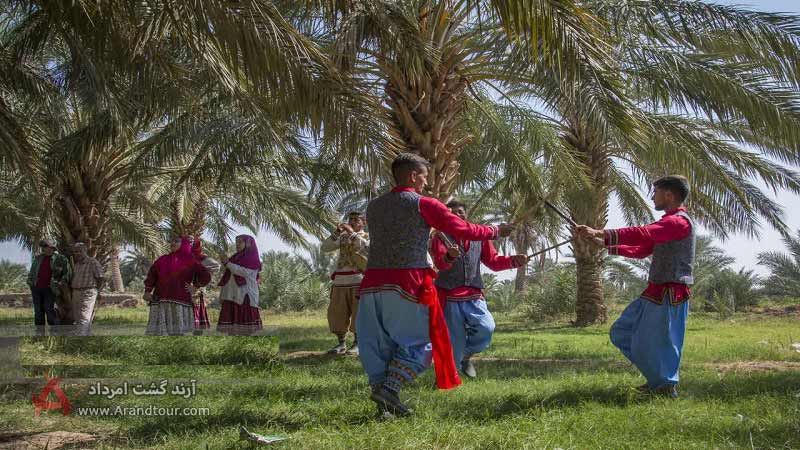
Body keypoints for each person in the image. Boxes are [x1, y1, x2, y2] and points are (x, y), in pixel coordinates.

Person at [356, 152, 515, 418]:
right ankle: (390, 390)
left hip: (371, 284)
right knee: (422, 343)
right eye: (424, 177)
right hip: (406, 283)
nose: (426, 183)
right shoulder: (422, 203)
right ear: (413, 175)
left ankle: (385, 407)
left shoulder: (374, 206)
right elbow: (463, 229)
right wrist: (496, 231)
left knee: (378, 346)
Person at [575, 175, 695, 398]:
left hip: (671, 293)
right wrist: (605, 244)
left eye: (656, 191)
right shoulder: (668, 223)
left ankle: (664, 386)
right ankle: (658, 380)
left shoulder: (678, 222)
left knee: (666, 342)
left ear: (669, 194)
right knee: (621, 332)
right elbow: (642, 249)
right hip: (655, 292)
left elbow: (643, 234)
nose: (652, 196)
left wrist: (601, 232)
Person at [430, 200, 529, 379]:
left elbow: (493, 262)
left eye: (460, 211)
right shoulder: (440, 237)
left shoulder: (480, 237)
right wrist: (448, 257)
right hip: (449, 296)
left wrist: (514, 260)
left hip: (474, 294)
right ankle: (448, 381)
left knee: (486, 327)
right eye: (452, 212)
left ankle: (465, 356)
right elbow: (439, 263)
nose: (457, 215)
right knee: (455, 342)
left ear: (466, 214)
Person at [320, 211, 369, 355]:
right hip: (340, 281)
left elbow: (366, 248)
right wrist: (337, 232)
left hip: (358, 281)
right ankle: (341, 344)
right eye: (350, 219)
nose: (352, 222)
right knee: (337, 313)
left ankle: (357, 344)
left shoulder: (366, 237)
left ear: (363, 222)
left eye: (356, 220)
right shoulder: (341, 237)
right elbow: (325, 247)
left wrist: (353, 233)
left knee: (358, 313)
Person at [144, 236, 212, 335]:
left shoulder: (192, 261)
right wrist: (147, 291)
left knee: (177, 333)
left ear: (184, 244)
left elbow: (205, 275)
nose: (172, 243)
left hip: (179, 301)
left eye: (176, 241)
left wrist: (195, 286)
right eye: (171, 241)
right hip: (161, 300)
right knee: (159, 333)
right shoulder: (162, 259)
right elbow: (151, 276)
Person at [217, 235, 262, 335]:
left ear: (249, 244)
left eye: (240, 242)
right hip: (230, 295)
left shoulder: (252, 259)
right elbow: (228, 278)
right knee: (231, 330)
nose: (237, 245)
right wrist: (222, 295)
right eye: (236, 242)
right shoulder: (234, 258)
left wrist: (227, 263)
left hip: (244, 296)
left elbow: (244, 272)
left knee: (245, 331)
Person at [26, 239, 71, 333]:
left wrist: (61, 282)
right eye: (43, 246)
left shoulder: (60, 258)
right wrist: (30, 282)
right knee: (38, 312)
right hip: (36, 288)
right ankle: (39, 334)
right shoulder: (38, 258)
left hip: (50, 289)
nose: (44, 248)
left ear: (52, 247)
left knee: (49, 310)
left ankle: (55, 333)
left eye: (46, 246)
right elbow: (32, 272)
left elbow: (67, 273)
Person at [70, 242, 105, 335]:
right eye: (75, 252)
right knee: (77, 316)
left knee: (84, 315)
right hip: (76, 292)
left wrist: (97, 292)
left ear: (85, 251)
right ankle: (85, 335)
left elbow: (100, 278)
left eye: (79, 251)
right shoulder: (77, 264)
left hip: (88, 292)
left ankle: (81, 338)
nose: (77, 253)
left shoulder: (92, 262)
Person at [191, 238, 221, 335]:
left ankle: (196, 337)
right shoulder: (179, 257)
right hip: (181, 289)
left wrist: (200, 268)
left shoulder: (202, 258)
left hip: (196, 290)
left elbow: (216, 266)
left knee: (195, 311)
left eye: (192, 243)